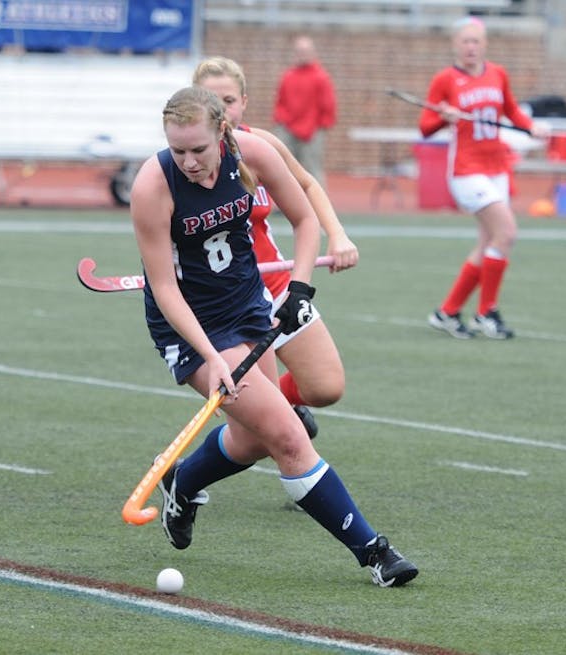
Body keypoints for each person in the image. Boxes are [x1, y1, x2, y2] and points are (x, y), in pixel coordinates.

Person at [130, 86, 417, 587]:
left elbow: (304, 219)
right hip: (191, 322)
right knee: (288, 436)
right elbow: (164, 287)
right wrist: (210, 357)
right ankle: (374, 553)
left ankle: (184, 479)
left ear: (222, 131)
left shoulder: (254, 152)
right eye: (179, 151)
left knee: (254, 439)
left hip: (246, 303)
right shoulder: (154, 185)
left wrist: (299, 288)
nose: (190, 162)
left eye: (198, 149)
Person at [194, 56, 358, 438]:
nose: (222, 112)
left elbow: (307, 186)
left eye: (229, 101)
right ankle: (186, 475)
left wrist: (338, 234)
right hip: (228, 304)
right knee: (255, 434)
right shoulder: (186, 163)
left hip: (277, 286)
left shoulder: (262, 145)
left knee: (325, 387)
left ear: (244, 103)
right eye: (211, 101)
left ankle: (278, 409)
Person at [421, 16, 550, 340]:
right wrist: (443, 116)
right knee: (506, 233)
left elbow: (512, 111)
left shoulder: (497, 74)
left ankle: (447, 312)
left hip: (497, 167)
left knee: (488, 242)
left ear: (484, 44)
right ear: (455, 44)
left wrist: (530, 127)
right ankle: (485, 313)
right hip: (467, 170)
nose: (470, 47)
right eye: (465, 41)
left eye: (476, 41)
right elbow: (425, 126)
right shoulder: (445, 80)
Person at [271, 36, 337, 189]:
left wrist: (321, 126)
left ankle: (319, 206)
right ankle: (286, 202)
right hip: (288, 128)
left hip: (312, 130)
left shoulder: (321, 77)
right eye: (299, 51)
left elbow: (328, 104)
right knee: (283, 167)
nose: (302, 54)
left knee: (312, 169)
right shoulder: (288, 76)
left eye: (305, 51)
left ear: (312, 53)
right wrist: (281, 120)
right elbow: (281, 101)